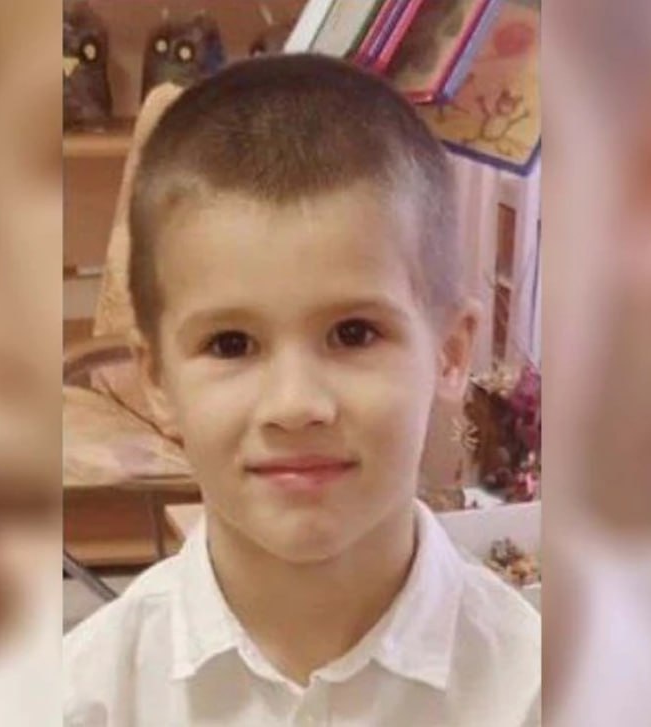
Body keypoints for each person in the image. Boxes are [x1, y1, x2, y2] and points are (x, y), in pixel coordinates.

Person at [64, 54, 540, 727]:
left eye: (353, 333)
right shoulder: (82, 698)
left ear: (450, 352)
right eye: (231, 344)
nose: (295, 405)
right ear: (158, 378)